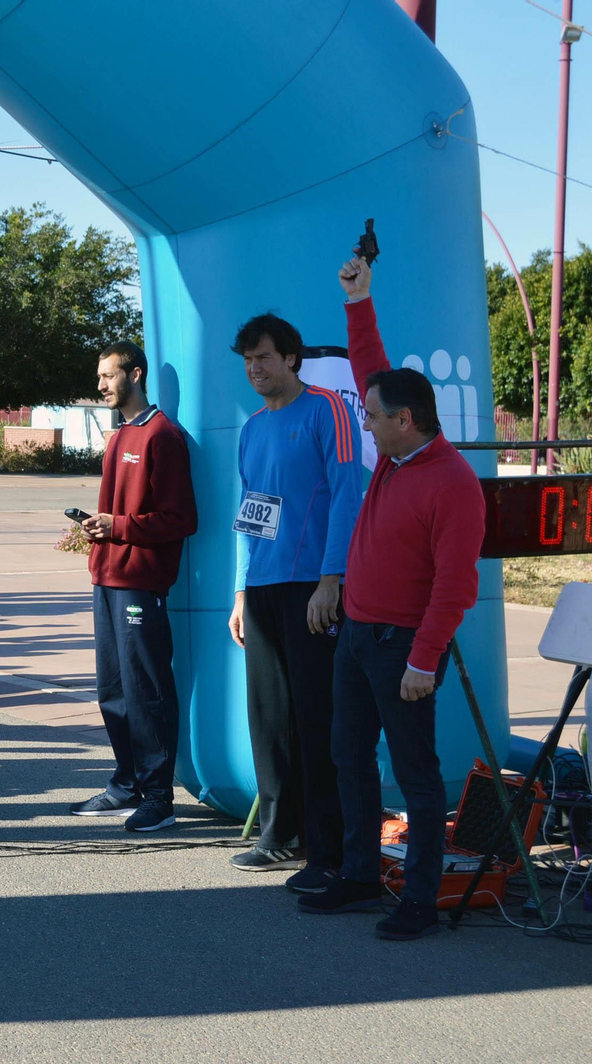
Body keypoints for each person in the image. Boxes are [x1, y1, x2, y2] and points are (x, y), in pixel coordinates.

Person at [297, 255, 486, 941]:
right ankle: (357, 874)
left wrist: (423, 660)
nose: (364, 422)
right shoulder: (397, 450)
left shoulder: (452, 483)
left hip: (403, 645)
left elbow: (455, 584)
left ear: (405, 420)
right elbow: (369, 368)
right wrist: (359, 301)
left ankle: (420, 902)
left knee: (416, 774)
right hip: (357, 634)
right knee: (348, 755)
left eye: (373, 417)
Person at [225, 313, 363, 884]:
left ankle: (327, 848)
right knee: (268, 718)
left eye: (264, 357)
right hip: (261, 591)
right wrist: (239, 591)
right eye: (247, 360)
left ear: (291, 358)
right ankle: (279, 836)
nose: (255, 368)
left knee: (316, 718)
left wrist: (332, 579)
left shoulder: (328, 408)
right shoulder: (252, 427)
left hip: (312, 588)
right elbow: (249, 516)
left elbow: (347, 495)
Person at [69, 341, 197, 833]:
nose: (100, 385)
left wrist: (118, 526)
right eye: (99, 376)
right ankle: (126, 786)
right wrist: (100, 527)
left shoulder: (163, 434)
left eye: (107, 375)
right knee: (113, 691)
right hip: (106, 576)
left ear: (135, 374)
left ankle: (159, 797)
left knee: (146, 691)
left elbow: (182, 518)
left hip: (141, 582)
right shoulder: (120, 433)